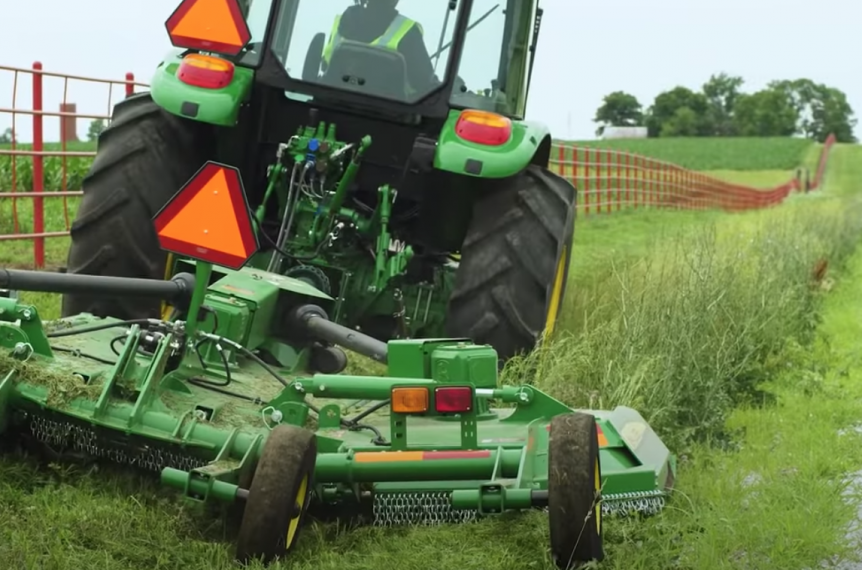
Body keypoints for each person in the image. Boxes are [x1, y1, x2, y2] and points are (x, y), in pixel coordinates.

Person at [321, 0, 439, 94]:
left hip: (332, 109)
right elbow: (424, 85)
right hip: (388, 118)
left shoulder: (341, 23)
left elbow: (325, 67)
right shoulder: (407, 32)